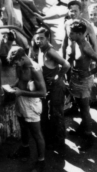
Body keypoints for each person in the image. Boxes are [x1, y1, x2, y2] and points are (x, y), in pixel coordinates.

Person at [29, 27, 70, 159]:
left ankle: (60, 142)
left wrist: (57, 77)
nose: (39, 40)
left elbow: (66, 64)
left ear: (47, 38)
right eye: (37, 38)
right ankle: (50, 139)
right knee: (47, 113)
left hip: (56, 88)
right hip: (47, 87)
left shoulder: (50, 52)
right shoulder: (40, 50)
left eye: (42, 38)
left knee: (56, 114)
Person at [67, 20, 97, 148]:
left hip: (83, 81)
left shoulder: (86, 47)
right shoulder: (74, 42)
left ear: (79, 34)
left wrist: (90, 72)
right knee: (79, 105)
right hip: (75, 78)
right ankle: (82, 127)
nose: (69, 35)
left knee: (85, 109)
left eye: (72, 33)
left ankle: (88, 136)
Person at [7, 47, 46, 172]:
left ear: (23, 58)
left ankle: (41, 161)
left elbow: (43, 93)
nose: (15, 65)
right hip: (21, 99)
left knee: (36, 133)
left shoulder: (35, 70)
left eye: (16, 62)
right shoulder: (20, 65)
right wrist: (13, 86)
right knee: (23, 127)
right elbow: (20, 79)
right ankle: (25, 149)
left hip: (31, 103)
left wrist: (21, 92)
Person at [62, 0, 97, 65]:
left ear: (80, 11)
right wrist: (63, 59)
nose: (73, 13)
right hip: (70, 57)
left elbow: (95, 44)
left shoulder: (87, 25)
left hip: (83, 59)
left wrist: (93, 61)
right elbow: (64, 42)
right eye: (71, 11)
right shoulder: (67, 23)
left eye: (75, 11)